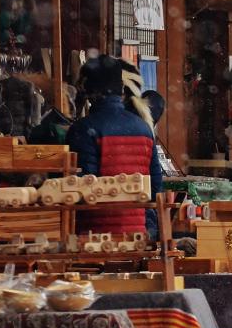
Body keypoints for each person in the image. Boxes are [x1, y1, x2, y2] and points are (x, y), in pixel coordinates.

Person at [65, 55, 163, 237]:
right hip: (137, 235)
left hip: (95, 237)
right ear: (121, 89)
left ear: (90, 91)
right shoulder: (144, 128)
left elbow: (82, 185)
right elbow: (155, 186)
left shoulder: (84, 129)